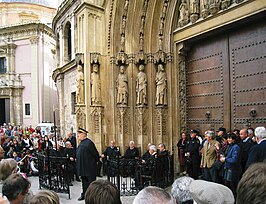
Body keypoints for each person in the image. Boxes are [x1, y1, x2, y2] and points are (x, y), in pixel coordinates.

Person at [76, 127, 100, 201]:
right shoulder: (81, 143)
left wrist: (95, 161)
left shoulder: (89, 143)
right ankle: (84, 194)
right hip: (83, 168)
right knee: (84, 183)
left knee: (91, 183)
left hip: (89, 168)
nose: (78, 136)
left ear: (84, 134)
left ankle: (92, 196)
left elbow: (95, 154)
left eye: (79, 134)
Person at [220, 133, 241, 197]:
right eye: (228, 138)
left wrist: (225, 159)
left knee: (231, 185)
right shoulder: (229, 146)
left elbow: (234, 159)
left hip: (232, 168)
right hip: (227, 167)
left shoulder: (236, 147)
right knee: (226, 183)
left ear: (234, 139)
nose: (228, 139)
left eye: (230, 138)